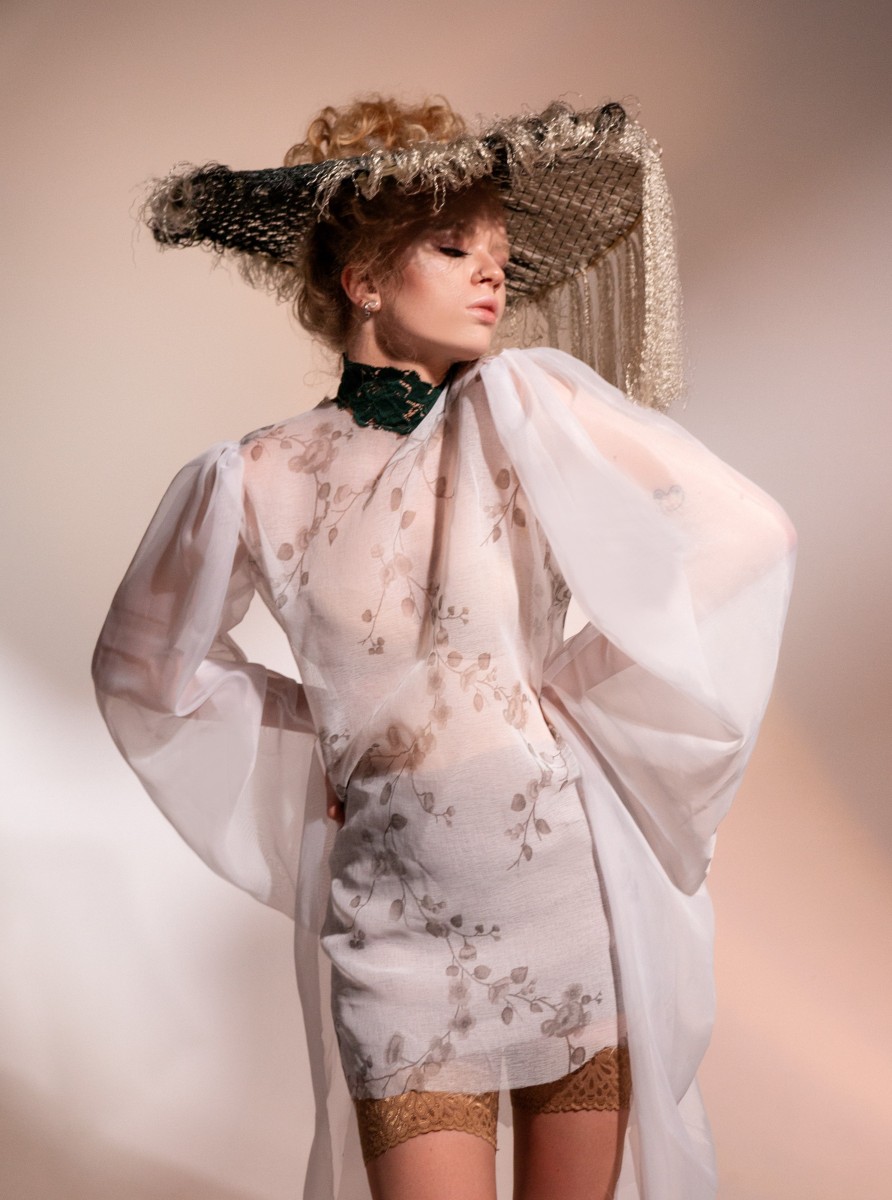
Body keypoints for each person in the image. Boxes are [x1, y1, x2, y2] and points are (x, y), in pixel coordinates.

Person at [92, 97, 795, 1200]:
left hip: (567, 902)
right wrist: (327, 736)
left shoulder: (523, 412)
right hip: (395, 936)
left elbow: (747, 534)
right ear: (364, 279)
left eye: (500, 253)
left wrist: (562, 696)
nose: (492, 275)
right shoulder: (251, 478)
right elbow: (144, 670)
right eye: (455, 246)